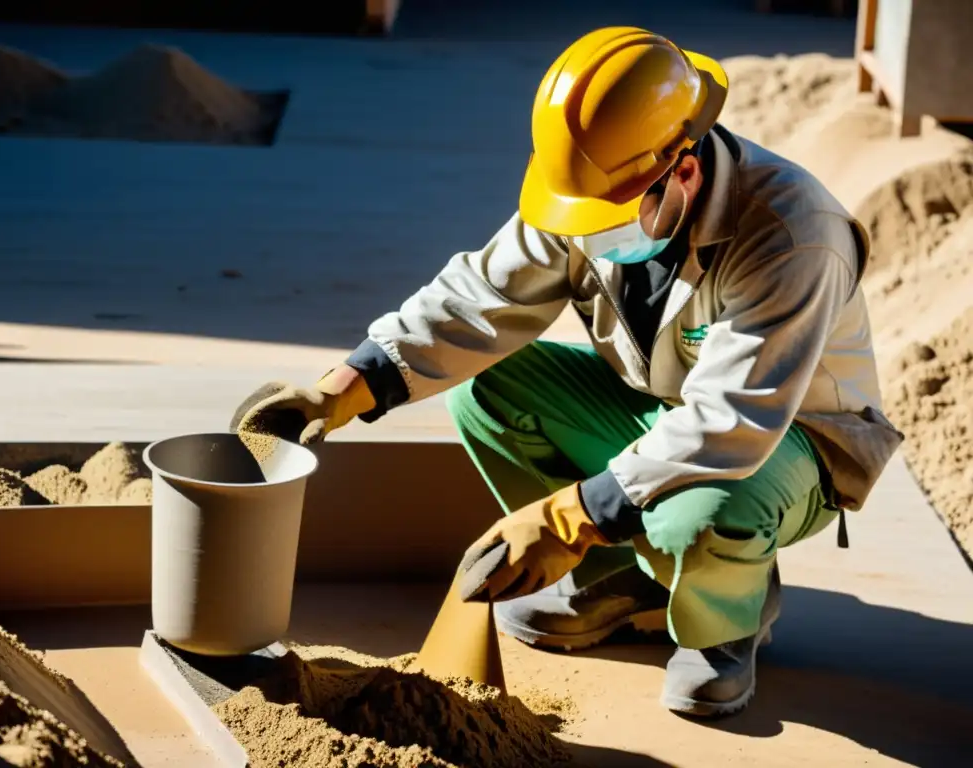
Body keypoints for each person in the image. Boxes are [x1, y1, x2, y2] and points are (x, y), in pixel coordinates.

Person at [231, 27, 903, 717]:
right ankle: (623, 580)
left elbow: (732, 420)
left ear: (686, 169)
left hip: (793, 442)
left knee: (703, 513)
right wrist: (345, 389)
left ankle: (724, 625)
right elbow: (478, 297)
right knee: (488, 392)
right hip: (673, 405)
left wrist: (569, 517)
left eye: (609, 219)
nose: (591, 235)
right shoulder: (594, 193)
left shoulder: (791, 234)